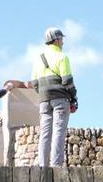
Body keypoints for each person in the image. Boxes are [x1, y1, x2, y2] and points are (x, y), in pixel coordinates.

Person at [27, 27, 77, 167]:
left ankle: (43, 166)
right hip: (60, 100)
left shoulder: (38, 59)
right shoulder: (62, 57)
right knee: (58, 132)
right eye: (62, 39)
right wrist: (74, 97)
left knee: (45, 133)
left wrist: (44, 93)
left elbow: (34, 83)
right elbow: (67, 80)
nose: (63, 42)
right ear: (56, 40)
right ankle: (56, 166)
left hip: (44, 100)